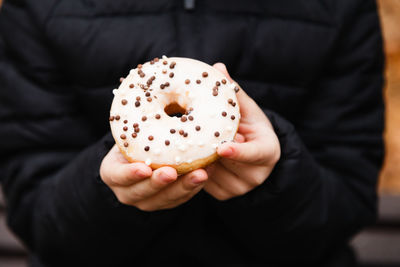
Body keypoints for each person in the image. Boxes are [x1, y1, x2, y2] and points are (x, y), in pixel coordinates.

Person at [0, 0, 384, 266]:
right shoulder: (37, 7)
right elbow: (37, 214)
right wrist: (112, 189)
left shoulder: (341, 7)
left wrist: (276, 178)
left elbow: (347, 199)